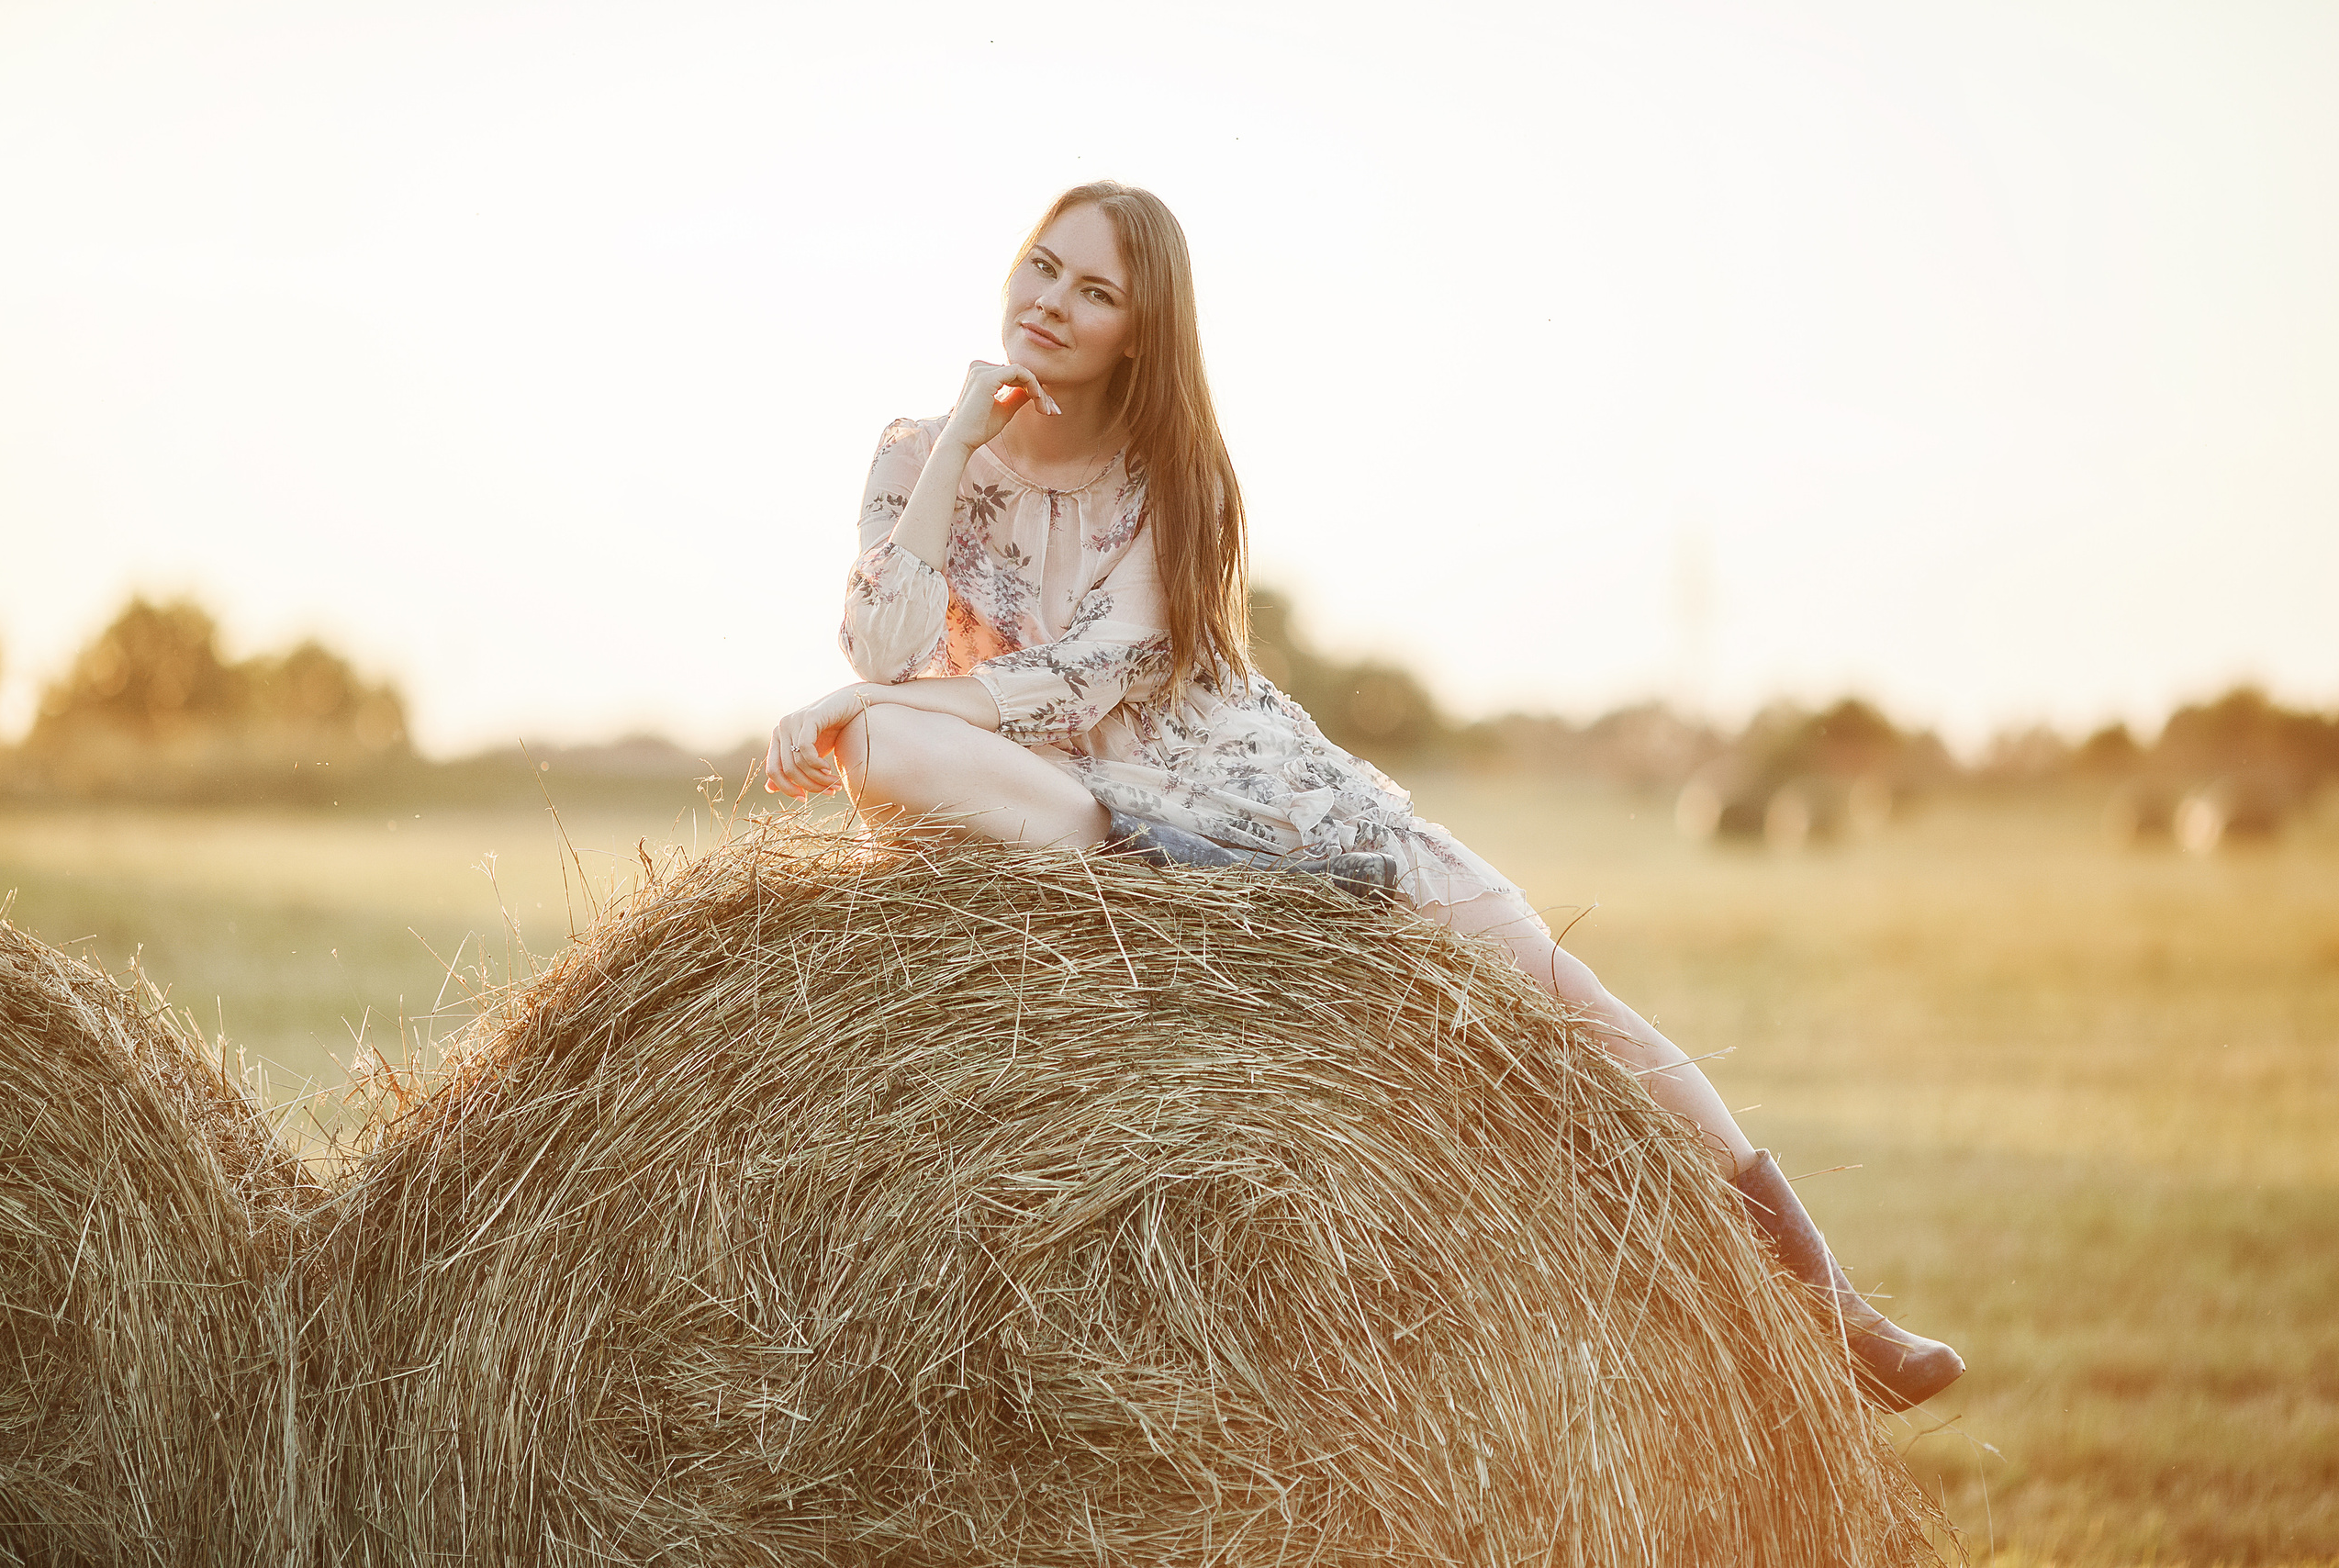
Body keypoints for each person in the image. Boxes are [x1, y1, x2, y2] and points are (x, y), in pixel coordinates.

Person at [764, 182, 1963, 1411]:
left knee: (1562, 989)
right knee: (879, 749)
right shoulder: (918, 453)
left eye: (1095, 291)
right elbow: (882, 638)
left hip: (1242, 800)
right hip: (1054, 807)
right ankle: (1127, 887)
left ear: (1142, 327)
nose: (1052, 303)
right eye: (1043, 268)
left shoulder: (1176, 475)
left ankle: (1836, 1311)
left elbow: (1095, 675)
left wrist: (880, 705)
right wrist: (958, 449)